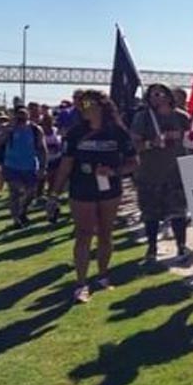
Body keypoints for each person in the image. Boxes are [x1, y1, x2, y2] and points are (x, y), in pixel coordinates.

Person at [51, 90, 138, 303]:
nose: (83, 107)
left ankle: (103, 275)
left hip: (110, 189)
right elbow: (65, 165)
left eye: (87, 103)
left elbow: (134, 162)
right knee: (83, 234)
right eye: (80, 103)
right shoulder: (75, 133)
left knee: (106, 233)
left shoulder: (118, 132)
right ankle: (81, 283)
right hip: (81, 188)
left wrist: (114, 171)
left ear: (101, 105)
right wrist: (53, 195)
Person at [130, 83, 192, 266]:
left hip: (176, 172)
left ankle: (181, 245)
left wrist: (179, 135)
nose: (157, 97)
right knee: (151, 215)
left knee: (178, 213)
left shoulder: (181, 117)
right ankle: (152, 248)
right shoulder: (143, 118)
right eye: (153, 94)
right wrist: (151, 143)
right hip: (150, 173)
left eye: (161, 93)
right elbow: (135, 144)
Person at [1, 105, 47, 228]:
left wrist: (43, 167)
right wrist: (8, 130)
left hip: (30, 166)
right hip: (11, 165)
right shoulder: (8, 128)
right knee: (16, 191)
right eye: (18, 114)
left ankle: (22, 212)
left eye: (23, 114)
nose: (21, 117)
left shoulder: (35, 129)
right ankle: (16, 219)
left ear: (27, 115)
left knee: (31, 192)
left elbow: (42, 149)